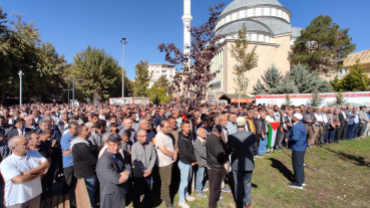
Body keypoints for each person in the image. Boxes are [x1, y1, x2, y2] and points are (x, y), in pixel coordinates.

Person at [0, 136, 50, 208]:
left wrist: (29, 173)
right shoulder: (7, 163)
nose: (28, 145)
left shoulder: (34, 153)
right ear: (14, 148)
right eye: (25, 144)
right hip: (17, 200)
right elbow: (19, 179)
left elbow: (46, 164)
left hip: (35, 195)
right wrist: (39, 173)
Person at [226, 117, 256, 208]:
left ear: (236, 125)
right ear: (244, 124)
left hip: (236, 163)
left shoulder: (232, 137)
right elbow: (255, 148)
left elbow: (228, 149)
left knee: (238, 184)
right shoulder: (252, 135)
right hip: (249, 163)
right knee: (247, 183)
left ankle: (239, 203)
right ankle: (247, 202)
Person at [96, 134, 131, 208]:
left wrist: (127, 172)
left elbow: (127, 165)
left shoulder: (118, 155)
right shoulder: (104, 160)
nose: (116, 148)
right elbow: (117, 179)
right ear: (107, 144)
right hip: (111, 196)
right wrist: (125, 174)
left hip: (120, 193)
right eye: (113, 145)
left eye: (118, 145)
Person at [70, 125, 98, 208]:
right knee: (89, 199)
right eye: (86, 130)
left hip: (85, 173)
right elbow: (93, 161)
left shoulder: (86, 142)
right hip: (87, 175)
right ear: (80, 134)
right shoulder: (81, 146)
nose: (89, 131)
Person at [131, 129, 157, 208]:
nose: (145, 138)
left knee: (148, 190)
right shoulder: (134, 146)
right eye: (142, 136)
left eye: (146, 136)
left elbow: (153, 157)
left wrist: (149, 169)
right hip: (138, 174)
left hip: (148, 172)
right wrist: (144, 171)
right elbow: (134, 161)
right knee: (137, 192)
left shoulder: (150, 145)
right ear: (138, 137)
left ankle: (148, 205)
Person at [155, 120, 177, 208]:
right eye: (166, 127)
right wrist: (173, 155)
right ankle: (168, 203)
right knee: (166, 183)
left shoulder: (168, 135)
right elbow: (163, 150)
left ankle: (163, 196)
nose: (169, 129)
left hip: (170, 161)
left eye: (169, 127)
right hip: (164, 163)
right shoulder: (159, 137)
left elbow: (172, 146)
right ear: (161, 128)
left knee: (167, 182)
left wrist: (174, 153)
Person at [206, 124, 229, 208]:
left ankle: (215, 201)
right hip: (215, 167)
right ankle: (212, 205)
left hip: (211, 164)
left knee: (214, 186)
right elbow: (220, 155)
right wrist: (226, 157)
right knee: (214, 188)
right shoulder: (215, 141)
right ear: (220, 132)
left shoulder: (209, 137)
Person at [177, 121, 197, 208]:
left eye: (189, 127)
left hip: (189, 162)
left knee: (187, 180)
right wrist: (194, 159)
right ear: (182, 127)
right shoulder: (181, 139)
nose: (188, 129)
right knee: (183, 183)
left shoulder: (188, 136)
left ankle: (186, 195)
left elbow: (191, 149)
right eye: (186, 127)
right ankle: (181, 200)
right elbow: (185, 153)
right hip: (184, 163)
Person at [60, 121, 78, 207]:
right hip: (69, 163)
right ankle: (65, 200)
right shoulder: (65, 138)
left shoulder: (77, 136)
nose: (77, 129)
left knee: (74, 183)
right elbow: (66, 150)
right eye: (75, 128)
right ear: (70, 129)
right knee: (68, 182)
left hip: (76, 162)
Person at [287, 113, 307, 189]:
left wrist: (288, 140)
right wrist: (289, 127)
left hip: (297, 147)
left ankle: (298, 183)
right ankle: (301, 180)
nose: (292, 117)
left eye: (293, 117)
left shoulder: (297, 126)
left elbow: (295, 138)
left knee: (297, 165)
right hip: (301, 147)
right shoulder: (301, 124)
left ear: (295, 118)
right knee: (300, 165)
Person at [194, 128, 208, 198]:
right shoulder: (197, 142)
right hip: (200, 163)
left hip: (204, 162)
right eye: (203, 133)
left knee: (203, 176)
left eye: (204, 132)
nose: (204, 134)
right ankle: (199, 190)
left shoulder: (203, 140)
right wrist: (210, 156)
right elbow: (202, 153)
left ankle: (201, 186)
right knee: (200, 177)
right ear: (198, 134)